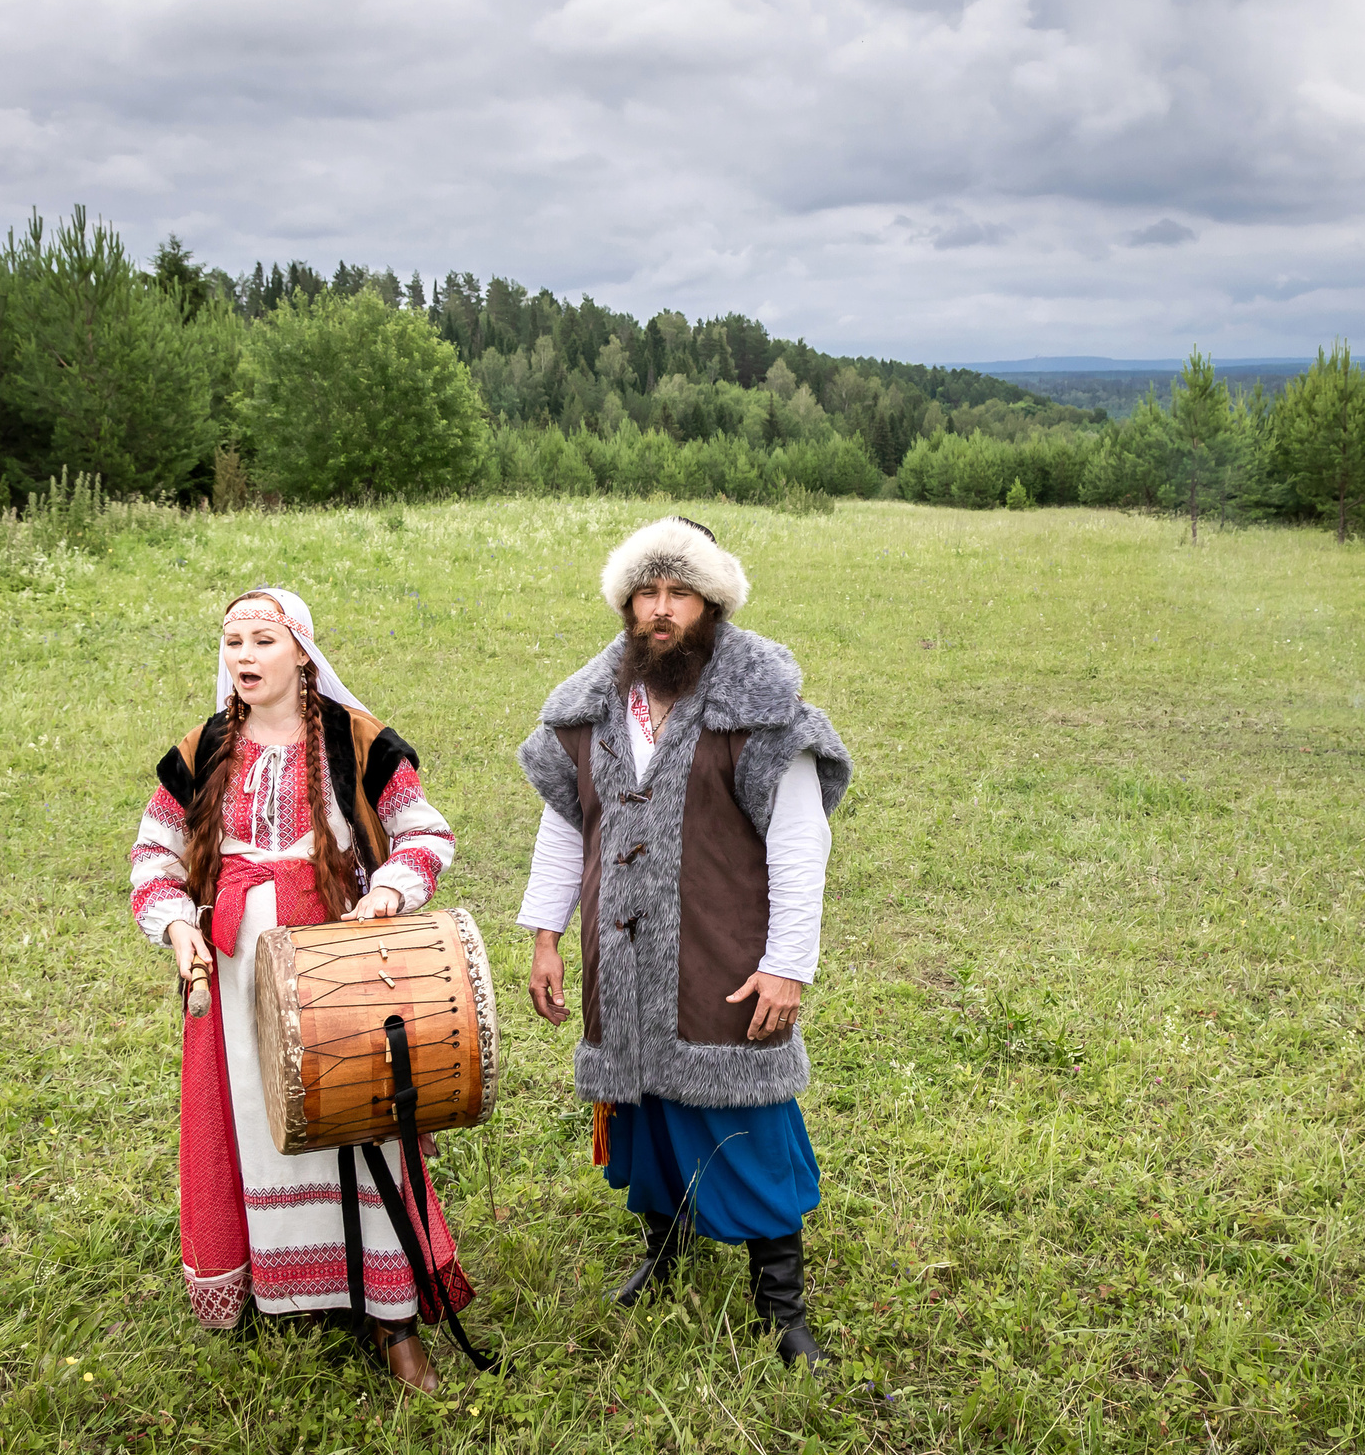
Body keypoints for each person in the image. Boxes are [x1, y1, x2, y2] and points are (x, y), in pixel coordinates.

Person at [515, 517, 852, 1367]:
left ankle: (782, 1304)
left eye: (681, 592)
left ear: (713, 602)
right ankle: (663, 1253)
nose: (662, 611)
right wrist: (546, 936)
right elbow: (567, 827)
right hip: (621, 960)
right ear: (627, 601)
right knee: (647, 1112)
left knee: (750, 1117)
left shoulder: (760, 709)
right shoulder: (591, 708)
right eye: (648, 592)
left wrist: (786, 965)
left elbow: (801, 843)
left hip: (720, 951)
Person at [129, 586, 474, 1394]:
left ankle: (391, 1318)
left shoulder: (357, 741)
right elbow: (152, 852)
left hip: (330, 966)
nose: (243, 656)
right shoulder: (205, 746)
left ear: (302, 652)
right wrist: (179, 927)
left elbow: (426, 832)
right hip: (229, 969)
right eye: (231, 641)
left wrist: (385, 895)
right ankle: (283, 1286)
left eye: (262, 639)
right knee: (252, 1120)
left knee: (361, 1128)